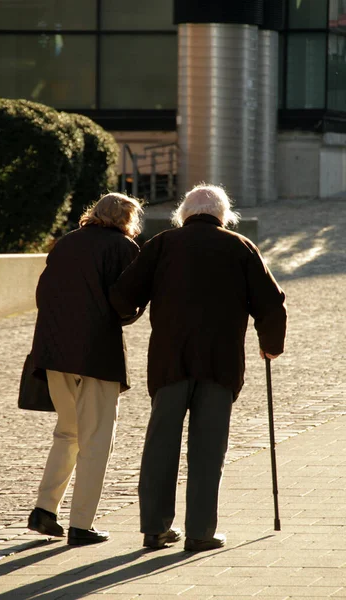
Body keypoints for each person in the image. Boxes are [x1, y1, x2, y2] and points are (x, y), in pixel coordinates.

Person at [109, 184, 287, 552]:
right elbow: (272, 304)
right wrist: (269, 345)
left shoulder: (163, 244)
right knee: (208, 448)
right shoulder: (240, 247)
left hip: (169, 360)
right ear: (224, 217)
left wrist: (131, 313)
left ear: (184, 214)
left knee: (161, 443)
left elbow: (124, 295)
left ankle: (155, 529)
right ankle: (200, 532)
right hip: (219, 364)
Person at [27, 192, 143, 546]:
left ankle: (45, 509)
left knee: (68, 432)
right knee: (96, 439)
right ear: (127, 220)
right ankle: (81, 523)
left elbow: (43, 292)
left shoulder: (65, 243)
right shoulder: (124, 248)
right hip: (97, 354)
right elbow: (127, 301)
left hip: (53, 352)